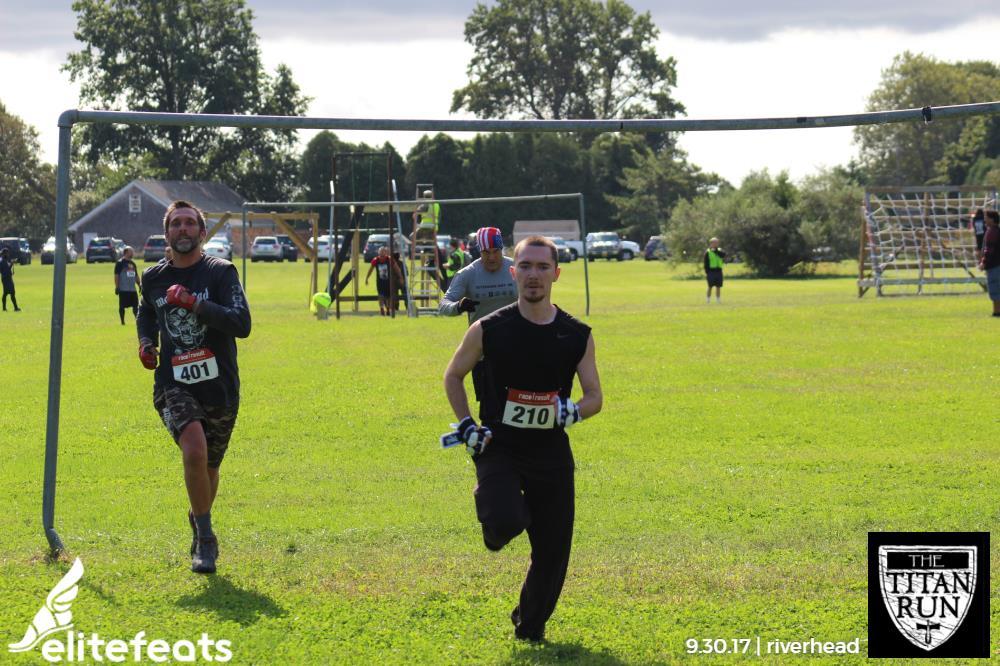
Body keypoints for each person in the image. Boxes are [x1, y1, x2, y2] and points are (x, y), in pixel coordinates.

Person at [442, 235, 603, 642]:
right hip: (499, 447)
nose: (534, 275)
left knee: (553, 554)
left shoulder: (576, 334)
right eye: (526, 266)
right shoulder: (488, 329)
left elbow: (595, 396)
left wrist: (573, 411)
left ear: (556, 274)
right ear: (514, 273)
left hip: (551, 453)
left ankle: (529, 627)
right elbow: (453, 375)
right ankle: (496, 524)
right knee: (506, 520)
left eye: (542, 267)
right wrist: (466, 425)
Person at [136, 200, 252, 574]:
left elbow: (241, 323)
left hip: (219, 386)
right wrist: (145, 342)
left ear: (202, 233)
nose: (182, 229)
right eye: (176, 224)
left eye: (190, 224)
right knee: (194, 449)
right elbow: (146, 311)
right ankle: (206, 540)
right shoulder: (152, 277)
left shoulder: (220, 273)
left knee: (210, 467)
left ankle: (197, 515)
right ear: (167, 233)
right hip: (173, 382)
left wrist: (195, 305)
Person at [439, 227, 517, 325]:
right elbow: (443, 306)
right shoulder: (468, 273)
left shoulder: (518, 269)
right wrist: (459, 307)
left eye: (496, 251)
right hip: (480, 338)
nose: (491, 257)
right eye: (486, 252)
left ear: (501, 249)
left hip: (514, 338)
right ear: (479, 251)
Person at [978, 209, 1000, 317]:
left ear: (992, 219)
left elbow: (988, 250)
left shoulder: (992, 232)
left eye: (986, 217)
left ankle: (997, 312)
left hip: (994, 266)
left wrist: (983, 262)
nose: (984, 219)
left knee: (994, 289)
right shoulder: (997, 231)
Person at [114, 246, 140, 325]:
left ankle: (137, 321)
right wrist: (117, 287)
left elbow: (136, 275)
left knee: (135, 306)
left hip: (132, 289)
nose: (132, 253)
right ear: (126, 252)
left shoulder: (132, 263)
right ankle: (122, 321)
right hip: (123, 289)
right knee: (122, 306)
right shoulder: (120, 263)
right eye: (131, 251)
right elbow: (116, 275)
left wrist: (140, 285)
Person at [365, 246, 393, 316]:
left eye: (383, 252)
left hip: (388, 281)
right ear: (378, 253)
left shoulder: (389, 259)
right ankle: (381, 308)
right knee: (381, 296)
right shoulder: (375, 260)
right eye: (380, 252)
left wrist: (400, 276)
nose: (382, 254)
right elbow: (370, 269)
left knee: (388, 296)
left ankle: (388, 309)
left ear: (385, 253)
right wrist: (367, 278)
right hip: (380, 282)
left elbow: (396, 268)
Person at [704, 237, 726, 303]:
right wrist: (707, 272)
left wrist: (716, 251)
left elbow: (723, 255)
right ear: (711, 243)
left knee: (718, 286)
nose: (716, 244)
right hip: (711, 271)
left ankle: (718, 300)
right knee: (710, 286)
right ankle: (708, 299)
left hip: (719, 271)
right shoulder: (708, 252)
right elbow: (706, 263)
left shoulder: (720, 250)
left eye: (717, 242)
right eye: (714, 242)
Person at [1, 247, 19, 312]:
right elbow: (6, 269)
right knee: (9, 293)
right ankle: (15, 308)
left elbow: (7, 268)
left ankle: (6, 308)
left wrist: (11, 263)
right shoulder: (2, 261)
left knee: (7, 293)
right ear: (4, 254)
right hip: (6, 279)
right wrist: (11, 263)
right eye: (7, 253)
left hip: (7, 278)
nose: (8, 255)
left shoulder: (3, 260)